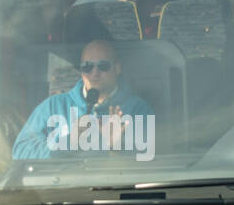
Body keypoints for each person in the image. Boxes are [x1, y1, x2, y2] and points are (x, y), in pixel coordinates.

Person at [13, 40, 153, 159]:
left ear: (117, 68)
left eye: (103, 66)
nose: (95, 73)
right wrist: (69, 143)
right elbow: (20, 151)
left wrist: (118, 148)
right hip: (63, 190)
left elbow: (153, 160)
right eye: (87, 67)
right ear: (81, 71)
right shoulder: (53, 106)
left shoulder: (138, 109)